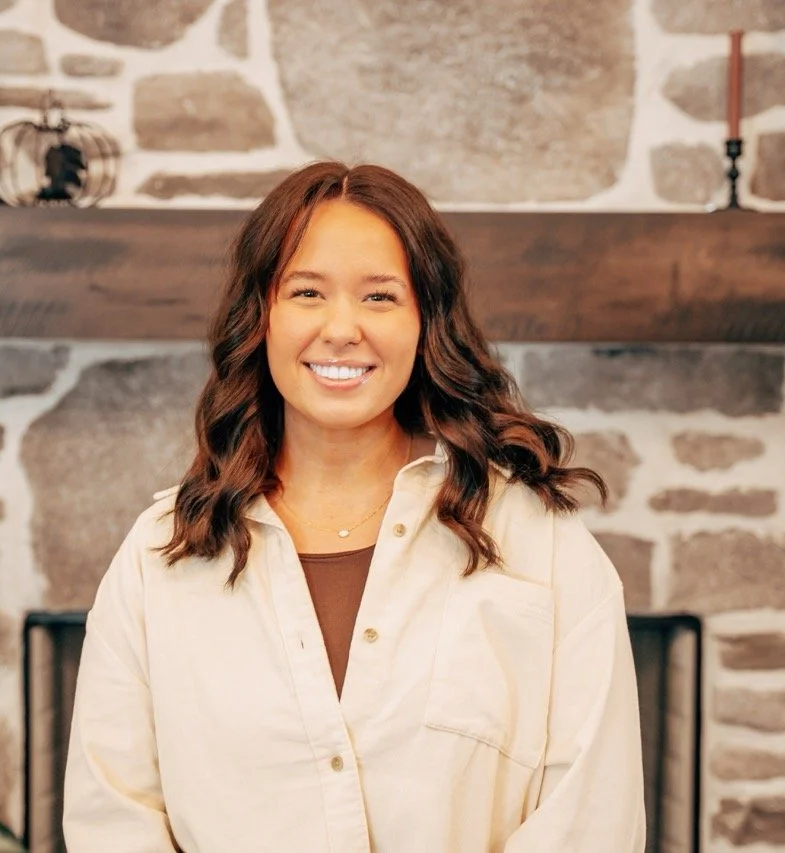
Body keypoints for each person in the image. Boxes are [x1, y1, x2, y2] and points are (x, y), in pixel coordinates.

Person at [63, 162, 646, 852]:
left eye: (379, 296)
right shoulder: (161, 553)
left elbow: (592, 814)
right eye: (307, 291)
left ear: (426, 320)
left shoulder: (538, 541)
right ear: (263, 317)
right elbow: (114, 814)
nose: (342, 329)